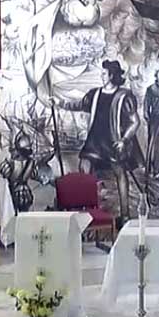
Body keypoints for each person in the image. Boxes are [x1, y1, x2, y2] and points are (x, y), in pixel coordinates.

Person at [54, 60, 143, 218]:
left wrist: (124, 140)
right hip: (95, 140)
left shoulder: (124, 96)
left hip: (112, 140)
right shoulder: (94, 94)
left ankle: (125, 215)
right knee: (84, 167)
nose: (101, 76)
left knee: (119, 172)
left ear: (112, 75)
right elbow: (78, 105)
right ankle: (86, 211)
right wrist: (59, 103)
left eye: (104, 73)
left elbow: (135, 122)